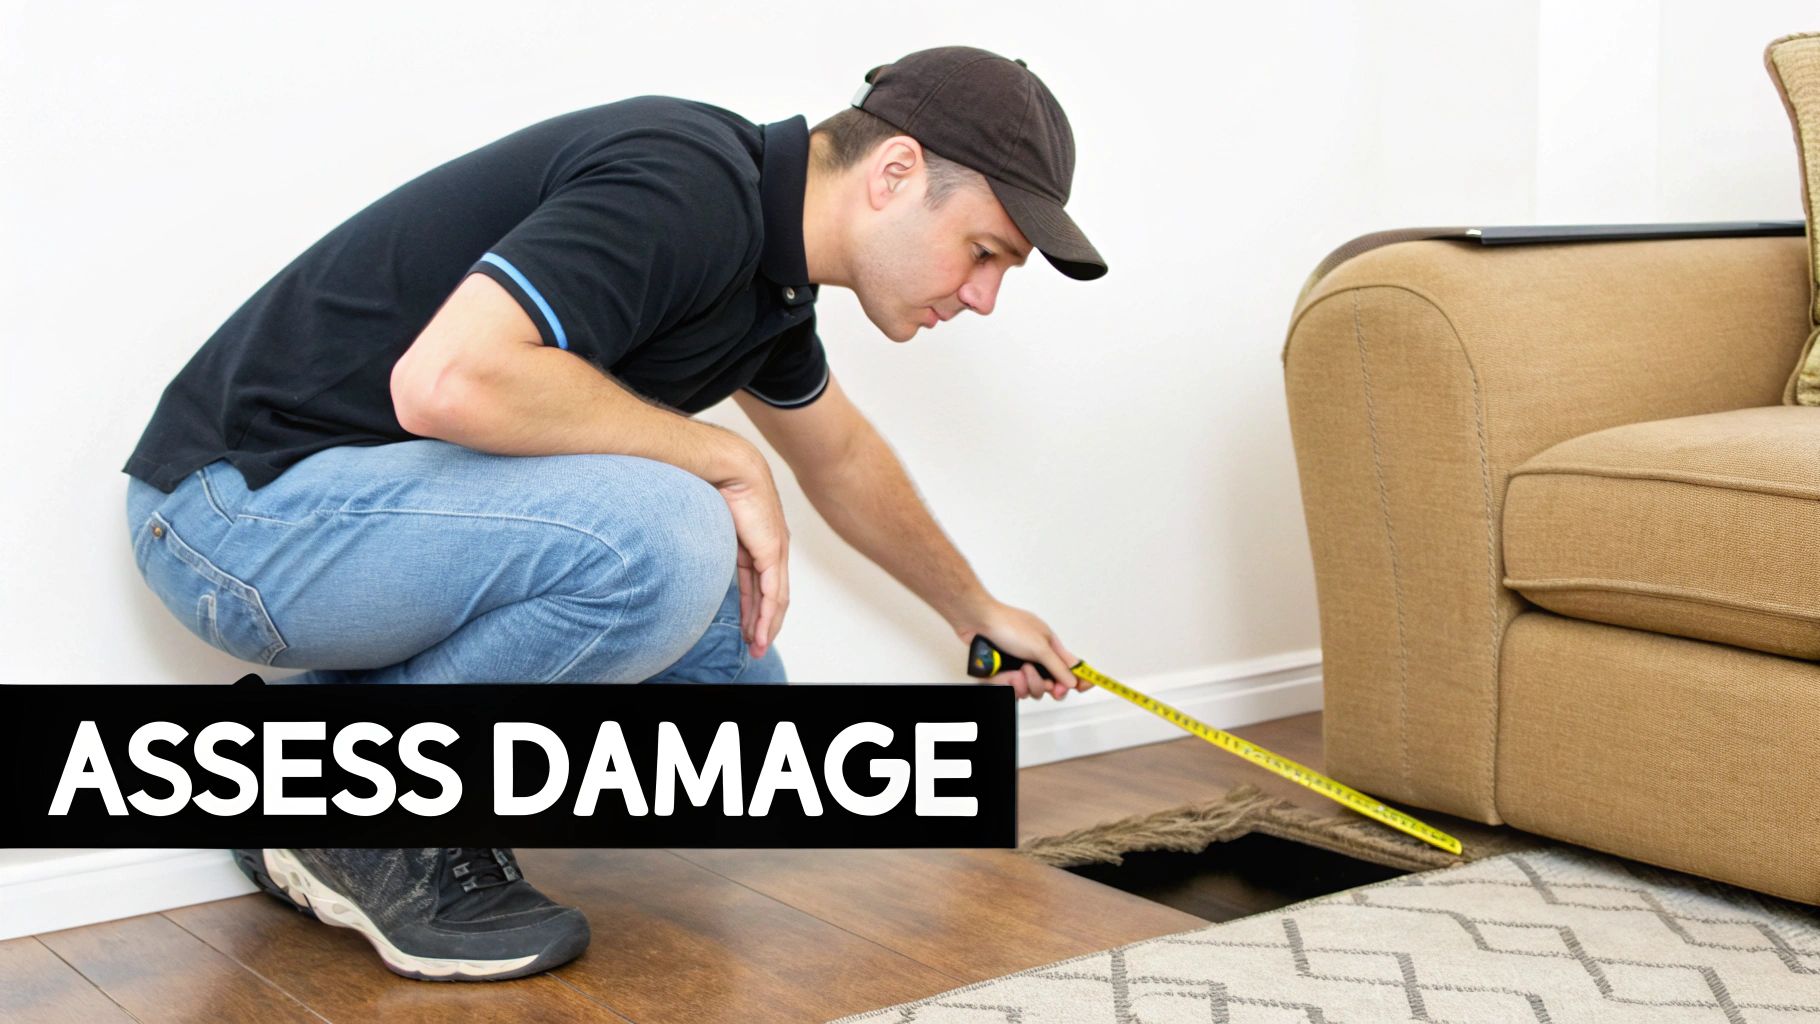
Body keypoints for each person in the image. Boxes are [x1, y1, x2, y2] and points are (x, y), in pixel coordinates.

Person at [123, 46, 1106, 980]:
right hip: (234, 518)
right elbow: (447, 380)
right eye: (982, 252)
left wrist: (972, 607)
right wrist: (725, 459)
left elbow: (841, 457)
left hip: (343, 522)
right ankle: (362, 806)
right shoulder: (683, 185)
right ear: (893, 172)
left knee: (731, 701)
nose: (981, 297)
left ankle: (299, 761)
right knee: (670, 536)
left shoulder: (767, 285)